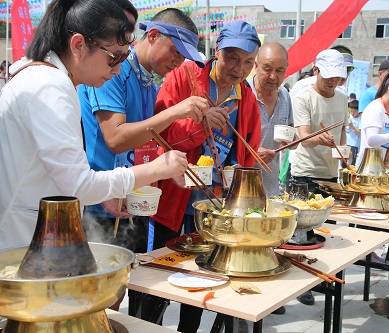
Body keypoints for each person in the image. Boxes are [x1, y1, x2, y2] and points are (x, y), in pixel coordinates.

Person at [0, 0, 189, 252]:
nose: (118, 68)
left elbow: (66, 176)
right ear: (79, 44)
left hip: (30, 233)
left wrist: (102, 192)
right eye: (115, 57)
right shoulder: (49, 87)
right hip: (19, 241)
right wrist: (156, 169)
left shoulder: (50, 80)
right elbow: (79, 185)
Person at [153, 20, 262, 332]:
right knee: (158, 274)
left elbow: (248, 154)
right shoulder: (183, 77)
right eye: (232, 58)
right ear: (217, 52)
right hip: (175, 197)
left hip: (215, 203)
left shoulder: (247, 99)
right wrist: (199, 125)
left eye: (247, 62)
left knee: (203, 278)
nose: (239, 69)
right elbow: (159, 135)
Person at [79, 8, 207, 254]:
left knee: (137, 279)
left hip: (133, 198)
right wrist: (175, 111)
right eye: (176, 52)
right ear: (153, 35)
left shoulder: (148, 81)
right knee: (105, 286)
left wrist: (168, 168)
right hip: (100, 202)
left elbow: (144, 140)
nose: (179, 62)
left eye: (184, 57)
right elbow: (115, 139)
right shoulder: (113, 69)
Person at [291, 49, 348, 306]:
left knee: (327, 229)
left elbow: (343, 130)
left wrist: (344, 158)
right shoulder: (303, 97)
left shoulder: (343, 98)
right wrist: (319, 139)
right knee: (301, 232)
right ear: (316, 70)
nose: (333, 82)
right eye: (328, 77)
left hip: (330, 172)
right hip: (304, 171)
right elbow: (302, 136)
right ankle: (302, 283)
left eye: (337, 77)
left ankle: (323, 275)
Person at [249, 42, 293, 197]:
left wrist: (293, 140)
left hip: (271, 190)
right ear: (256, 65)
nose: (273, 76)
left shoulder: (285, 95)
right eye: (267, 69)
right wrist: (251, 151)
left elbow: (290, 134)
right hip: (242, 188)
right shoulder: (242, 93)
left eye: (280, 70)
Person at [289, 45, 355, 100]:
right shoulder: (303, 85)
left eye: (349, 69)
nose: (344, 74)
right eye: (338, 69)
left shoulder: (342, 92)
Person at [346, 99, 361, 166]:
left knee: (352, 163)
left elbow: (360, 133)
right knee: (344, 163)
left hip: (354, 144)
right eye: (350, 111)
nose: (352, 113)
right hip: (346, 143)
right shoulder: (349, 117)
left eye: (354, 111)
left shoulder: (360, 119)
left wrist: (352, 127)